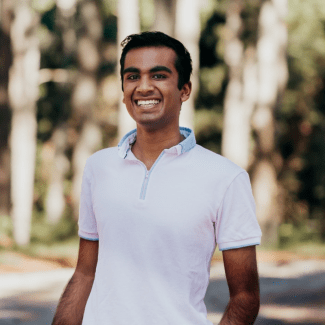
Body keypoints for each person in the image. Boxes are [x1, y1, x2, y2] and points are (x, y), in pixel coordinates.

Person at [52, 31, 262, 325]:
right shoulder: (98, 167)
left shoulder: (225, 178)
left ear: (184, 90)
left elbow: (245, 297)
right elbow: (85, 273)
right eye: (132, 76)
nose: (144, 87)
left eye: (159, 75)